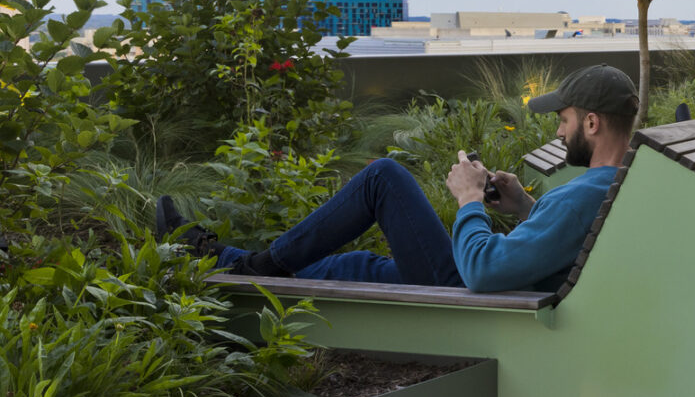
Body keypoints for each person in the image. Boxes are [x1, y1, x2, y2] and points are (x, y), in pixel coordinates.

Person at [155, 65, 639, 293]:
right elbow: (568, 240)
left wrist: (470, 199)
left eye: (566, 120)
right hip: (513, 284)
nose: (559, 128)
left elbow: (485, 270)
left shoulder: (581, 197)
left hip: (471, 293)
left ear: (591, 123)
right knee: (358, 266)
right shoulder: (623, 186)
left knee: (383, 177)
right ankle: (222, 261)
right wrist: (524, 208)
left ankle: (248, 265)